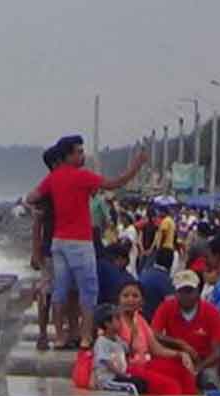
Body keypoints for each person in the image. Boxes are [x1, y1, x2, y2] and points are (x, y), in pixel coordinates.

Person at [26, 135, 148, 350]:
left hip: (58, 242)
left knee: (60, 291)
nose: (83, 155)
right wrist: (136, 166)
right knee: (87, 290)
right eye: (79, 152)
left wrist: (38, 211)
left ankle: (61, 337)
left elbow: (31, 196)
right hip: (79, 241)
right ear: (68, 155)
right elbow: (115, 183)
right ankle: (85, 337)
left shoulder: (53, 178)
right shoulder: (82, 177)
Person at [116, 281, 198, 395]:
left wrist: (181, 354)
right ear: (119, 299)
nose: (130, 300)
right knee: (171, 386)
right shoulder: (114, 321)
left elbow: (156, 349)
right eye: (125, 296)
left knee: (182, 370)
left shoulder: (140, 320)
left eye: (135, 296)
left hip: (144, 365)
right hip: (126, 369)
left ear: (142, 301)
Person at [152, 270, 220, 391]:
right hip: (176, 359)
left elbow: (217, 353)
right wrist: (180, 344)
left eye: (189, 291)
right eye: (181, 291)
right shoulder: (166, 307)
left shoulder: (212, 312)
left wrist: (197, 368)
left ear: (198, 291)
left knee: (210, 380)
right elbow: (154, 334)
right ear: (175, 292)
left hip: (205, 363)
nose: (186, 296)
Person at [29, 145, 62, 351]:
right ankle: (43, 334)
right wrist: (35, 251)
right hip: (51, 248)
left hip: (64, 246)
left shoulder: (57, 186)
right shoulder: (47, 189)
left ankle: (59, 332)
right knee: (47, 292)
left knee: (58, 292)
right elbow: (37, 222)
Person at [92, 303, 147, 395]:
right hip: (107, 378)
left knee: (141, 383)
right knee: (131, 388)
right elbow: (107, 362)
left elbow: (129, 351)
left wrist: (134, 334)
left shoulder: (118, 340)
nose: (120, 322)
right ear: (107, 323)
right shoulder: (102, 342)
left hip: (117, 376)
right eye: (117, 319)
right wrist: (121, 374)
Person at [139, 248, 175, 321]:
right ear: (171, 263)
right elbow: (172, 305)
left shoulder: (144, 272)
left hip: (139, 316)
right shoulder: (166, 280)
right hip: (152, 319)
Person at [118, 213, 139, 277]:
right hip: (123, 252)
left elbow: (129, 243)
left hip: (131, 252)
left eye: (124, 219)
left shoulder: (131, 229)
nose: (123, 220)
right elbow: (118, 238)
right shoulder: (121, 228)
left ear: (128, 220)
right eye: (122, 219)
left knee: (130, 269)